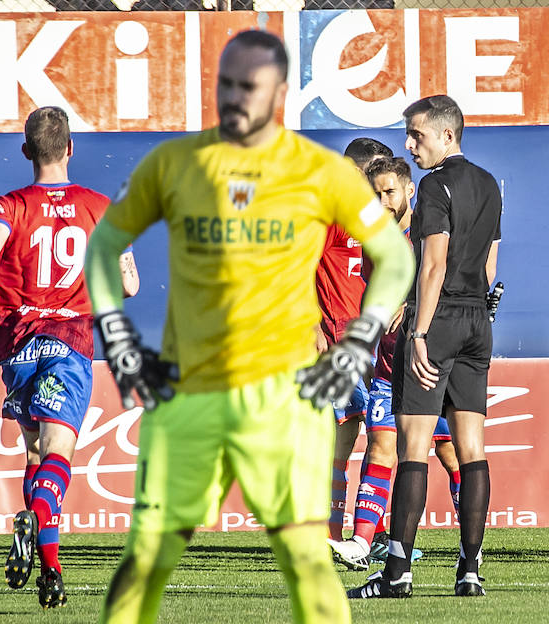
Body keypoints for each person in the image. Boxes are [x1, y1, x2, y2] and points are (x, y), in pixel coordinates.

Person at [82, 30, 415, 623]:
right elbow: (106, 241)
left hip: (280, 394)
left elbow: (396, 257)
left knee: (307, 564)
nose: (236, 96)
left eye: (251, 85)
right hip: (193, 392)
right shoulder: (174, 164)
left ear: (280, 93)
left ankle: (353, 539)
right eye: (226, 83)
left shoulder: (324, 176)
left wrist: (361, 335)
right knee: (148, 554)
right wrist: (115, 333)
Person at [0, 106, 139, 609]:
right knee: (57, 457)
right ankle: (46, 554)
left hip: (20, 346)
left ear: (26, 151)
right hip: (68, 345)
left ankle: (42, 548)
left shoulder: (9, 205)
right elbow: (130, 283)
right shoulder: (99, 207)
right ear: (70, 149)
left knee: (32, 455)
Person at [349, 94, 501, 599]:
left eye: (417, 135)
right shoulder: (487, 184)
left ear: (447, 134)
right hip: (478, 319)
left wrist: (418, 331)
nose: (410, 144)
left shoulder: (436, 185)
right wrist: (472, 314)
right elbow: (489, 266)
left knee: (413, 447)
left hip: (437, 319)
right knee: (472, 449)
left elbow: (432, 265)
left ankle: (397, 574)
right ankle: (471, 571)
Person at [328, 156, 462, 570]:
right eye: (375, 194)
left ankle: (470, 545)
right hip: (389, 359)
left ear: (409, 191)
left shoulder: (432, 234)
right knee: (382, 443)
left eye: (390, 192)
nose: (382, 202)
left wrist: (414, 306)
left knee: (453, 454)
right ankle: (363, 543)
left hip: (431, 360)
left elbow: (453, 285)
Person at [320, 138, 392, 542]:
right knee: (341, 439)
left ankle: (374, 535)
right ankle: (333, 536)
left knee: (383, 438)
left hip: (382, 346)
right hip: (340, 344)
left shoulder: (383, 220)